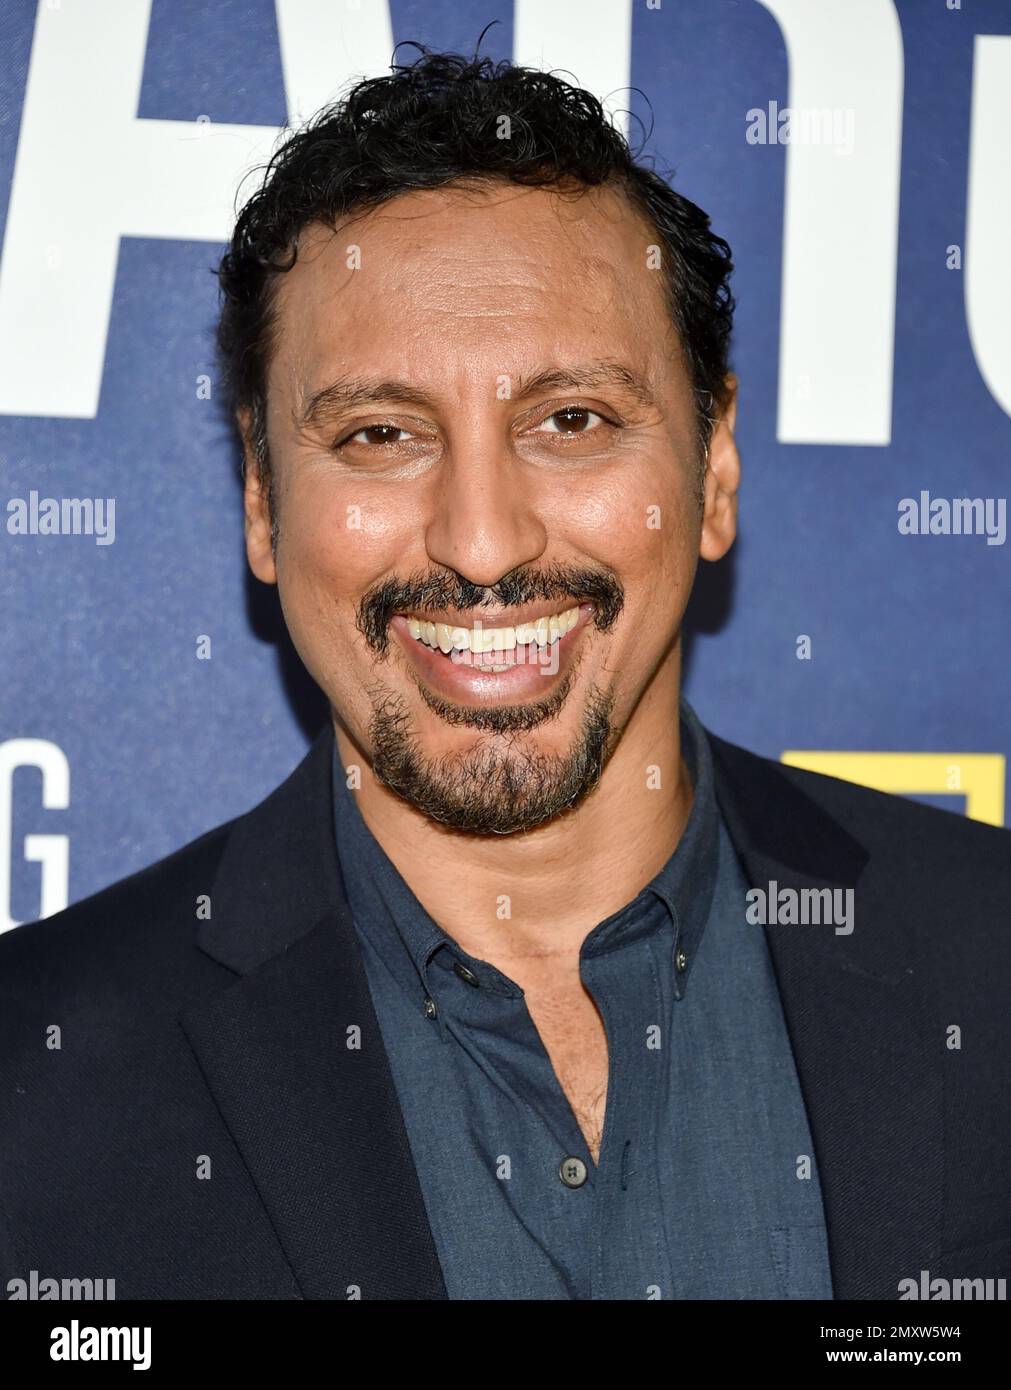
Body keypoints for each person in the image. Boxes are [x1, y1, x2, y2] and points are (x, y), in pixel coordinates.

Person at [1, 45, 1008, 1302]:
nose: (483, 539)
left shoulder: (990, 957)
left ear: (717, 467)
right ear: (262, 502)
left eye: (571, 420)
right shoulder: (35, 1082)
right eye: (380, 435)